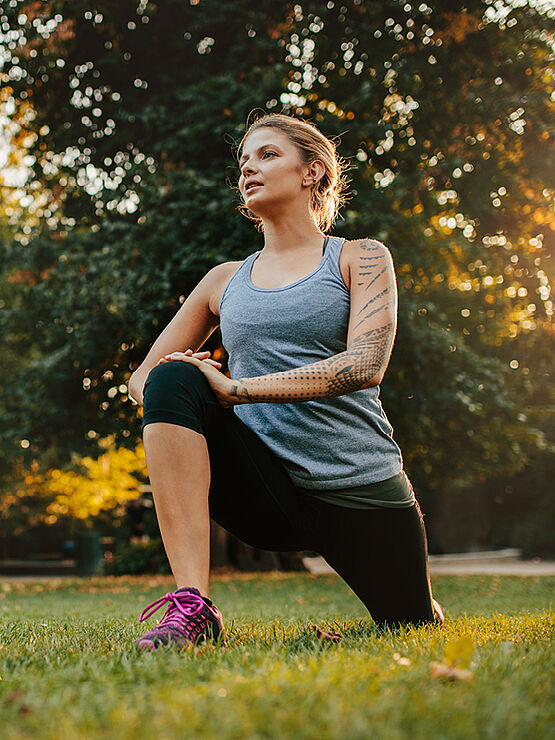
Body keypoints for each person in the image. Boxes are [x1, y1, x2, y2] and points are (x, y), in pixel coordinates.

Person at [128, 113, 444, 650]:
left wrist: (238, 390)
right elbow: (142, 381)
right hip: (265, 491)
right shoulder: (223, 280)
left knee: (409, 623)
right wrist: (200, 387)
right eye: (244, 160)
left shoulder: (359, 257)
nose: (249, 167)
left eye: (268, 154)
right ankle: (193, 606)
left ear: (312, 172)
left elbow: (365, 363)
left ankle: (416, 597)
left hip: (358, 487)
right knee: (172, 377)